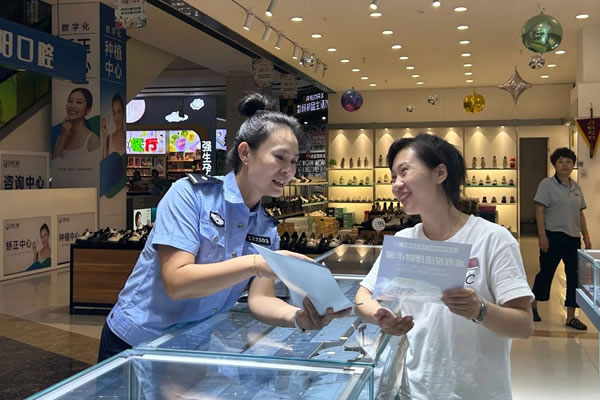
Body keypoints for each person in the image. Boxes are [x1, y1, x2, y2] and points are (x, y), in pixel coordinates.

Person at [98, 93, 350, 362]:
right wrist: (256, 263)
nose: (289, 170)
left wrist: (298, 318)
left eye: (294, 161)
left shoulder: (265, 227)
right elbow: (176, 282)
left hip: (189, 346)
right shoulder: (190, 195)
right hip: (134, 342)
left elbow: (260, 298)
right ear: (245, 153)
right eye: (280, 157)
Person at [355, 134, 534, 399]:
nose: (396, 185)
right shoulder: (405, 241)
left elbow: (523, 325)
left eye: (404, 171)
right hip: (416, 390)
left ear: (439, 173)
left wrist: (480, 310)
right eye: (392, 177)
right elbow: (363, 296)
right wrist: (379, 315)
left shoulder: (493, 239)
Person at [531, 147, 591, 330]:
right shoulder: (547, 184)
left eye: (568, 161)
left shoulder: (576, 187)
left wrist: (586, 236)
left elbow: (580, 213)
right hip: (553, 236)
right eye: (560, 161)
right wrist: (542, 236)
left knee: (574, 276)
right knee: (546, 272)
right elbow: (539, 210)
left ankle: (571, 317)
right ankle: (533, 306)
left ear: (573, 165)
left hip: (573, 238)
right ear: (555, 165)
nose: (565, 165)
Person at [53, 88, 100, 159]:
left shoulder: (93, 140)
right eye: (70, 101)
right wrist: (64, 136)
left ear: (88, 110)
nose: (72, 106)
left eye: (79, 102)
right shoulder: (61, 136)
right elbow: (55, 161)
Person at [102, 92, 126, 158]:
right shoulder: (108, 138)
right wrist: (105, 134)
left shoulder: (129, 138)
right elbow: (104, 162)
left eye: (119, 112)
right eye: (114, 113)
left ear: (123, 112)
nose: (117, 118)